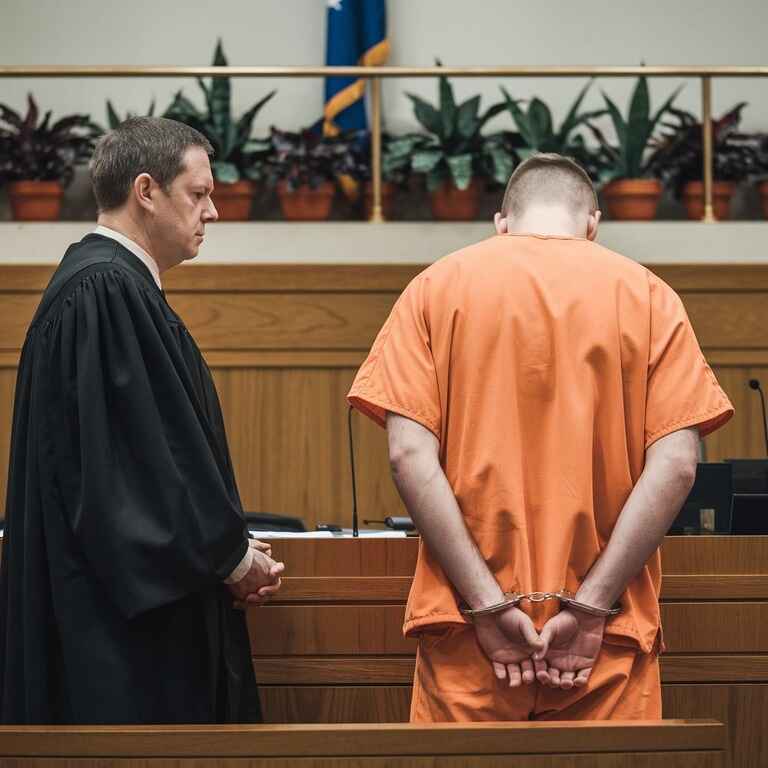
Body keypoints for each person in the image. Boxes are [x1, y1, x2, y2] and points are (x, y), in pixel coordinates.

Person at [347, 153, 734, 722]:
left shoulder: (434, 288)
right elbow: (676, 467)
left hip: (470, 633)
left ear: (501, 223)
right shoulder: (650, 297)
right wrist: (589, 607)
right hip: (603, 639)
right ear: (593, 223)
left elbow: (408, 455)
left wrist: (487, 604)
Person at [0, 117, 283, 724]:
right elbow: (136, 475)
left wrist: (227, 544)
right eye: (199, 194)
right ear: (147, 191)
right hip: (122, 647)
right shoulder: (106, 292)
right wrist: (232, 558)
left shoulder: (106, 286)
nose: (213, 213)